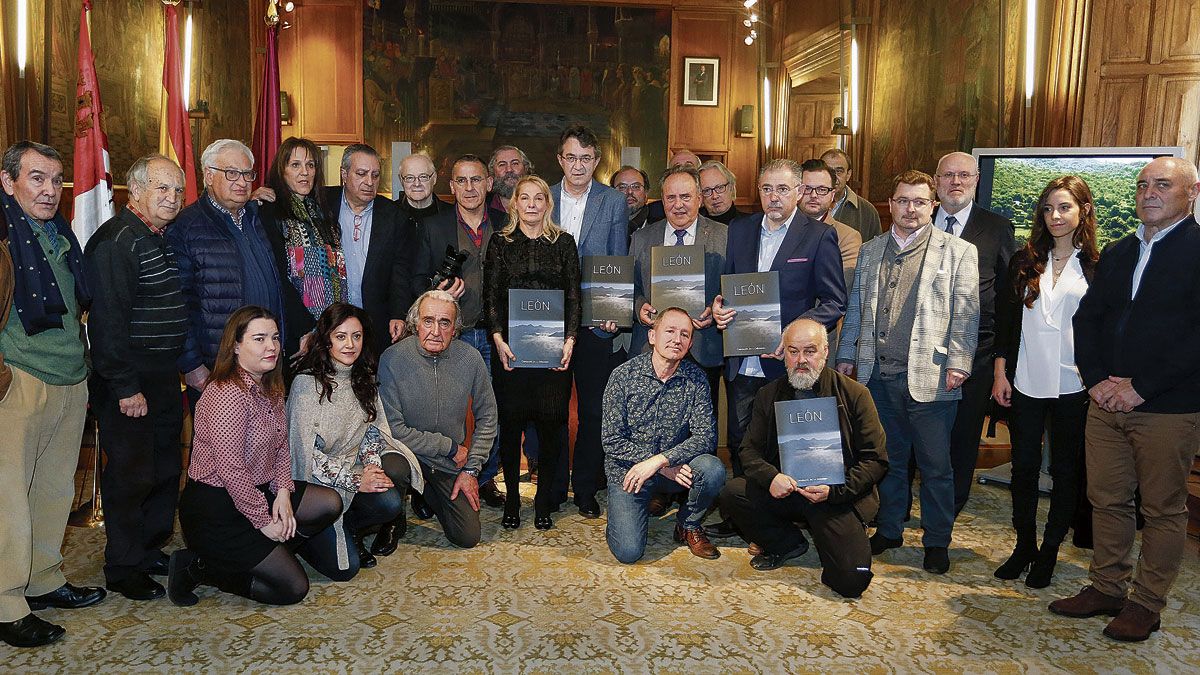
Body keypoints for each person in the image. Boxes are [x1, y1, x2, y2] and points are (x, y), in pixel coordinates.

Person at [1050, 157, 1200, 642]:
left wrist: (1140, 386)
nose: (1149, 193)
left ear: (1192, 192)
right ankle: (1107, 587)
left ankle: (1146, 604)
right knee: (1107, 500)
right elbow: (1087, 320)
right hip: (1104, 402)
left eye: (1162, 185)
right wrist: (1094, 381)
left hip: (1167, 408)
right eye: (1142, 185)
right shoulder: (1118, 251)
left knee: (1161, 510)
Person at [835, 169, 979, 575]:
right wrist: (848, 356)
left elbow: (966, 316)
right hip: (877, 376)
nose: (910, 209)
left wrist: (959, 363)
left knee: (936, 467)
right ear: (891, 204)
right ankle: (891, 528)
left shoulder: (958, 252)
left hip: (932, 376)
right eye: (902, 200)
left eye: (919, 201)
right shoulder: (871, 249)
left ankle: (936, 541)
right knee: (889, 461)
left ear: (932, 205)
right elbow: (858, 309)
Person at [705, 159, 846, 541]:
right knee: (740, 441)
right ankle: (742, 515)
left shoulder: (818, 236)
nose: (773, 197)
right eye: (767, 189)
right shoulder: (740, 229)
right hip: (740, 357)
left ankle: (783, 527)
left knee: (782, 448)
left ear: (799, 192)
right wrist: (719, 306)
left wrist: (791, 334)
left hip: (787, 365)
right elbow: (729, 287)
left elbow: (834, 302)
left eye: (783, 189)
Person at [0, 141, 104, 648]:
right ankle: (5, 604)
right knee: (8, 499)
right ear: (8, 181)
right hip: (19, 381)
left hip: (69, 378)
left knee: (53, 491)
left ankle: (43, 578)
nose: (48, 191)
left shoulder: (59, 233)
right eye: (36, 178)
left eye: (55, 180)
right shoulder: (3, 236)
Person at [169, 306, 342, 607]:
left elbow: (281, 447)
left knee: (329, 503)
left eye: (274, 338)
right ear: (235, 346)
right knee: (292, 588)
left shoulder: (269, 385)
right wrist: (263, 520)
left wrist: (284, 493)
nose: (272, 347)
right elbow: (231, 470)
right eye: (259, 339)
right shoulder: (225, 393)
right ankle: (200, 568)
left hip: (258, 491)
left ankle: (269, 547)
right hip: (217, 508)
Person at [85, 154, 189, 601]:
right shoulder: (117, 242)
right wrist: (126, 387)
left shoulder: (157, 237)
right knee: (131, 475)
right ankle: (124, 566)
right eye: (162, 189)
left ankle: (148, 549)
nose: (172, 198)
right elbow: (106, 323)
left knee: (165, 469)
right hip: (129, 379)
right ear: (136, 191)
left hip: (164, 374)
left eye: (179, 191)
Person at [722, 318, 887, 598]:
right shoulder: (768, 395)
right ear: (783, 353)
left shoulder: (856, 394)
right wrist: (771, 477)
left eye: (810, 351)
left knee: (851, 582)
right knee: (731, 493)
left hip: (835, 496)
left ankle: (840, 541)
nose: (801, 360)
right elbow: (748, 451)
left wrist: (835, 491)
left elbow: (876, 460)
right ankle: (786, 543)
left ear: (825, 351)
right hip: (786, 490)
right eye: (793, 351)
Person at [991, 176, 1099, 588]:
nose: (1055, 216)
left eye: (1065, 207)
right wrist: (1001, 373)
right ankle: (1024, 547)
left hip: (1075, 384)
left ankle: (1050, 551)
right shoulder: (1024, 260)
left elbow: (1104, 328)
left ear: (1083, 210)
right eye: (1049, 208)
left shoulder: (1096, 265)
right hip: (1026, 379)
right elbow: (1006, 324)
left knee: (1066, 471)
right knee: (1024, 469)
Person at [288, 303, 423, 578]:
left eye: (357, 336)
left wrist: (371, 467)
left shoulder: (363, 377)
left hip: (351, 468)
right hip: (315, 485)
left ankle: (350, 528)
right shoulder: (305, 384)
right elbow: (304, 455)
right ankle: (304, 537)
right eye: (341, 336)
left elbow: (372, 431)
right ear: (326, 340)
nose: (350, 344)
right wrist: (354, 480)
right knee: (346, 570)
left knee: (389, 503)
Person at [483, 175, 580, 530]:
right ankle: (511, 499)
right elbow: (491, 295)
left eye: (540, 198)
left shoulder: (564, 244)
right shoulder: (500, 243)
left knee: (553, 428)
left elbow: (573, 296)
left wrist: (570, 339)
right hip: (511, 352)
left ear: (548, 204)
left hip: (554, 355)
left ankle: (542, 503)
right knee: (510, 429)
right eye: (525, 198)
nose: (533, 204)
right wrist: (496, 337)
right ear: (515, 204)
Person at [411, 154, 507, 509]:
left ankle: (484, 478)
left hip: (496, 334)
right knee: (440, 407)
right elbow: (417, 279)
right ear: (451, 187)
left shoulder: (505, 223)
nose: (469, 188)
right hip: (450, 335)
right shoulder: (434, 227)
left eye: (476, 180)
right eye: (461, 181)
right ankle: (433, 479)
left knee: (490, 407)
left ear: (489, 184)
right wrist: (436, 294)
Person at [602, 307, 724, 563]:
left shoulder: (697, 379)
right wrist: (654, 463)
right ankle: (623, 512)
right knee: (628, 552)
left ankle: (687, 524)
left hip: (673, 467)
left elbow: (706, 437)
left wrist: (661, 462)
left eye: (684, 334)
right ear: (652, 336)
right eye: (669, 331)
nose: (676, 340)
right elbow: (611, 439)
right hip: (629, 472)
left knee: (712, 469)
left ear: (690, 343)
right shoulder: (622, 376)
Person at [931, 151, 1017, 515]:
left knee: (964, 433)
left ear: (977, 179)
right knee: (921, 428)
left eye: (964, 175)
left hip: (976, 349)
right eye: (948, 175)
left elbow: (1008, 294)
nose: (956, 182)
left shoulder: (997, 227)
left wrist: (1001, 359)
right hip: (921, 345)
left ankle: (951, 505)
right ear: (936, 181)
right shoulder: (918, 219)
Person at [378, 290, 498, 548]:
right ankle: (393, 520)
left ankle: (427, 492)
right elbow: (393, 429)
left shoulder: (470, 358)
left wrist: (471, 469)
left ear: (455, 328)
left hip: (447, 463)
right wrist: (450, 447)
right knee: (393, 467)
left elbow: (488, 416)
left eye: (445, 323)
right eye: (428, 321)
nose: (436, 331)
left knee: (466, 537)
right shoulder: (392, 358)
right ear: (415, 323)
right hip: (406, 453)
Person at [167, 139, 284, 401]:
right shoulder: (187, 226)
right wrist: (191, 365)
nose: (241, 182)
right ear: (209, 175)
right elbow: (178, 301)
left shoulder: (257, 218)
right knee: (222, 440)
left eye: (247, 174)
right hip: (217, 366)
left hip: (265, 362)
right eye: (231, 173)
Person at [551, 125, 628, 518]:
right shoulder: (541, 197)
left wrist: (614, 312)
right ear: (560, 159)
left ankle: (584, 489)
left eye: (586, 158)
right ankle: (550, 489)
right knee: (552, 408)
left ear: (596, 161)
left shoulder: (613, 202)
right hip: (549, 322)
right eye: (571, 157)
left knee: (595, 410)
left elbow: (618, 257)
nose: (578, 165)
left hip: (597, 324)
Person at [630, 165, 725, 414]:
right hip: (652, 350)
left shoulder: (724, 236)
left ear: (699, 199)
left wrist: (715, 309)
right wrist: (640, 307)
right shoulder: (642, 238)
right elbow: (631, 287)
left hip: (704, 347)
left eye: (686, 197)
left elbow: (732, 287)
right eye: (671, 197)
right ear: (662, 200)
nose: (678, 204)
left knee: (701, 430)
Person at [259, 137, 347, 361]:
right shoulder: (269, 212)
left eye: (310, 165)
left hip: (333, 327)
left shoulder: (324, 210)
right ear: (282, 170)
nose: (305, 172)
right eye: (295, 165)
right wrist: (306, 328)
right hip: (298, 331)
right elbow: (279, 277)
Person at [327, 143, 416, 358]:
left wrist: (398, 313)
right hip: (330, 319)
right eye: (361, 173)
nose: (369, 182)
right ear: (343, 174)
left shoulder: (395, 216)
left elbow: (400, 271)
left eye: (375, 175)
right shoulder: (322, 204)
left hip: (376, 321)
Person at [820, 148, 882, 241]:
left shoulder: (867, 211)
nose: (833, 177)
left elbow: (876, 250)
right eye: (827, 170)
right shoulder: (804, 205)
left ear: (848, 175)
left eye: (839, 171)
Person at [487, 145, 533, 213]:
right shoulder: (483, 207)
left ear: (526, 168)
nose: (509, 169)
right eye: (502, 164)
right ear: (492, 171)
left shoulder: (541, 204)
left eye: (515, 163)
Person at [610, 165, 651, 241]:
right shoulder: (600, 227)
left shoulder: (660, 227)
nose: (629, 192)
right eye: (622, 187)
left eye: (636, 187)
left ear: (646, 194)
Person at [698, 160, 745, 225]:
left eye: (720, 187)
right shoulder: (693, 226)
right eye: (707, 191)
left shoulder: (750, 224)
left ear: (731, 187)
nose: (715, 196)